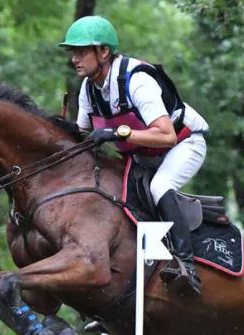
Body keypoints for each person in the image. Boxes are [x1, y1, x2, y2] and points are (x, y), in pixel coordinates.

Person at [60, 15, 209, 297]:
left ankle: (187, 267)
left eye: (81, 52)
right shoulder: (88, 89)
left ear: (103, 52)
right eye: (73, 53)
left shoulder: (137, 81)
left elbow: (166, 135)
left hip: (182, 144)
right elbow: (81, 138)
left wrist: (118, 134)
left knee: (159, 187)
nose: (74, 59)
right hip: (143, 155)